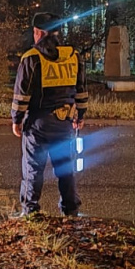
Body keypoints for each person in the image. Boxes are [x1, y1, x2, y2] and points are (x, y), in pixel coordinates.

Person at [10, 12, 89, 217]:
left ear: (40, 33)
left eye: (35, 33)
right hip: (65, 123)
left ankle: (31, 210)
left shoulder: (31, 58)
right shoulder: (73, 56)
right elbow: (81, 89)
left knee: (33, 169)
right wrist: (80, 115)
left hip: (38, 124)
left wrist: (16, 120)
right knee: (65, 168)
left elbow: (22, 94)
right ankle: (70, 209)